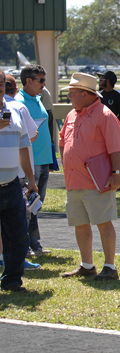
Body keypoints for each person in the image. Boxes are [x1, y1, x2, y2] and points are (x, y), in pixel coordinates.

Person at [59, 73, 120, 281]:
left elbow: (116, 148)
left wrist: (116, 173)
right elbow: (63, 141)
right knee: (80, 223)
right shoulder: (71, 115)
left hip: (97, 181)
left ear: (86, 94)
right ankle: (87, 265)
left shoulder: (105, 115)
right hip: (74, 180)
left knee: (103, 222)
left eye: (72, 93)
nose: (69, 97)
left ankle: (110, 266)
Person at [0, 70, 38, 292]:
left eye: (2, 83)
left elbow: (24, 147)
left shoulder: (14, 110)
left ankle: (12, 281)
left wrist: (31, 179)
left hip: (12, 184)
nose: (0, 87)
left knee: (18, 237)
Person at [16, 65, 53, 256]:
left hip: (44, 159)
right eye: (41, 80)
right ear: (28, 81)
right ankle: (28, 245)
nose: (44, 84)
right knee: (28, 205)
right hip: (31, 162)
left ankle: (34, 243)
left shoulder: (38, 99)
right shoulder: (18, 102)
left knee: (36, 204)